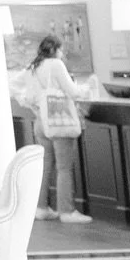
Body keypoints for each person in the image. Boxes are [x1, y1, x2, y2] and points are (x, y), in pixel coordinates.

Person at [28, 34, 90, 223]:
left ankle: (41, 208)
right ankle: (66, 211)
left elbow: (27, 95)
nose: (62, 53)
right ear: (55, 49)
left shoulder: (33, 67)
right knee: (64, 167)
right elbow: (72, 92)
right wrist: (87, 88)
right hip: (59, 120)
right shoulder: (55, 65)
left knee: (45, 167)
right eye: (61, 49)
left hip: (41, 121)